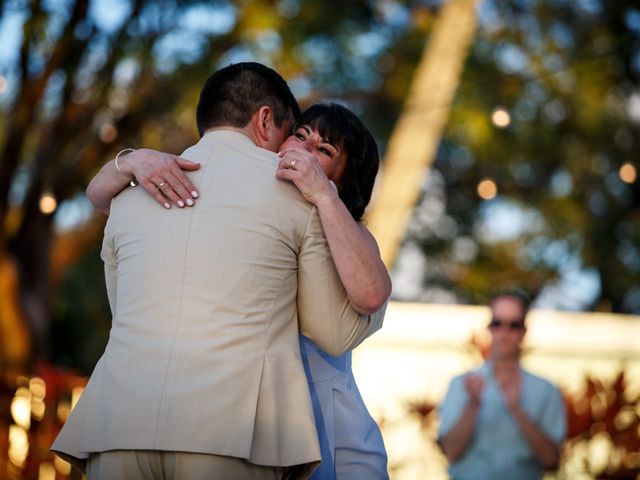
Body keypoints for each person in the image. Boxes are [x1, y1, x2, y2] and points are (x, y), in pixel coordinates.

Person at [51, 62, 387, 480]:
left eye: (324, 150)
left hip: (120, 420)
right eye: (297, 134)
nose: (301, 152)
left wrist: (128, 165)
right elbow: (336, 330)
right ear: (266, 121)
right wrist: (128, 161)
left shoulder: (134, 194)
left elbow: (123, 307)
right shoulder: (293, 199)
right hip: (236, 428)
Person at [437, 291, 566, 480]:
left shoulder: (547, 391)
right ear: (489, 328)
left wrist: (517, 410)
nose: (505, 332)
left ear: (524, 331)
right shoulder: (461, 384)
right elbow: (451, 452)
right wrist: (472, 406)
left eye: (513, 325)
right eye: (498, 323)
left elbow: (552, 461)